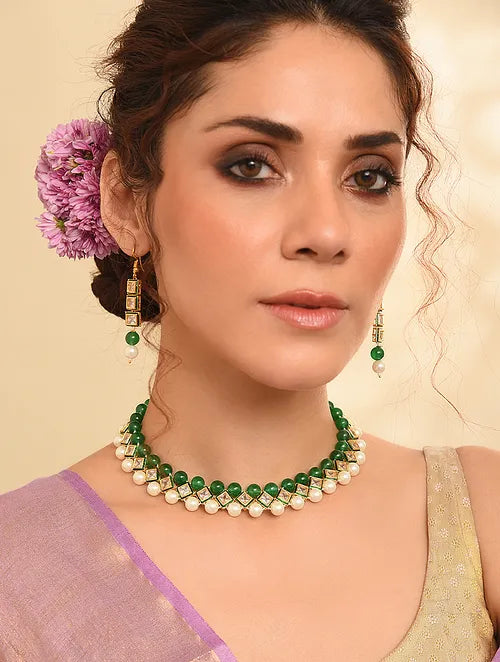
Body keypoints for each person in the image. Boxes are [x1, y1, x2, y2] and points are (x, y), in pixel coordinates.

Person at [1, 1, 499, 660]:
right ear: (126, 201)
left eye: (369, 177)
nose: (327, 232)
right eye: (251, 166)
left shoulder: (479, 516)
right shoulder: (21, 572)